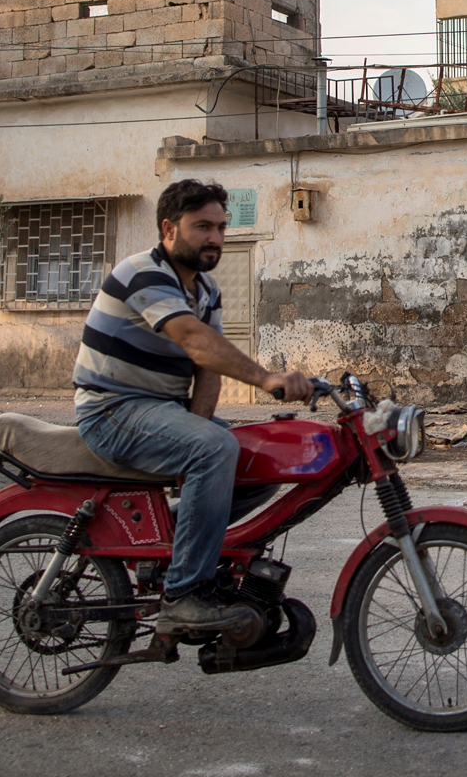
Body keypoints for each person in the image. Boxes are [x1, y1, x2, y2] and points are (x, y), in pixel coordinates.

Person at [73, 179, 312, 633]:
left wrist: (194, 430)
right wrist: (266, 378)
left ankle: (172, 542)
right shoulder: (143, 272)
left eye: (221, 227)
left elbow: (208, 369)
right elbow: (194, 341)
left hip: (163, 412)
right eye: (203, 227)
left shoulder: (205, 289)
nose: (215, 238)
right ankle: (185, 593)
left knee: (264, 456)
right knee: (216, 448)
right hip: (112, 411)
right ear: (169, 229)